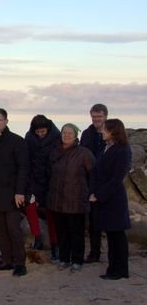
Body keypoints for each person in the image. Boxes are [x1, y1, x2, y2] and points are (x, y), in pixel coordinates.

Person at [0, 108, 29, 277]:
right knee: (0, 229)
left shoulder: (17, 141)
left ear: (6, 121)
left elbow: (23, 168)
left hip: (12, 194)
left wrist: (20, 192)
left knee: (13, 229)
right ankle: (6, 260)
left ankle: (20, 263)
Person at [47, 123, 95, 273]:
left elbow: (93, 175)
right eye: (64, 133)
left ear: (75, 136)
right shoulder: (55, 152)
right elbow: (49, 173)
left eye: (69, 133)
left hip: (76, 201)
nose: (66, 135)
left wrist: (90, 193)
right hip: (57, 200)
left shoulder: (84, 153)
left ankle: (77, 260)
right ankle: (64, 259)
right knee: (62, 232)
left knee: (76, 233)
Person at [89, 119, 132, 280]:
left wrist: (99, 195)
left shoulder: (123, 150)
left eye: (105, 130)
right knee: (111, 235)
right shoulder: (106, 147)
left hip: (113, 199)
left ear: (114, 131)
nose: (102, 132)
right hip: (104, 198)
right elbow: (97, 171)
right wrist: (93, 192)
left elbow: (116, 179)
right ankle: (113, 268)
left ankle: (120, 270)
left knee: (117, 236)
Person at [24, 115, 60, 260]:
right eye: (37, 132)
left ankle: (55, 245)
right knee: (30, 207)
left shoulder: (57, 137)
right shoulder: (29, 137)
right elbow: (27, 160)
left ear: (48, 129)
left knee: (51, 213)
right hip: (34, 180)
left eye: (43, 132)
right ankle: (37, 238)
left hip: (51, 181)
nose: (40, 134)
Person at [80, 103, 108, 264]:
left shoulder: (111, 132)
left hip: (106, 181)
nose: (96, 119)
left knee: (110, 220)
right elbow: (81, 154)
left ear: (105, 117)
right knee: (93, 220)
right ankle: (94, 252)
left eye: (99, 116)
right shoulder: (87, 134)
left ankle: (114, 253)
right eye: (94, 116)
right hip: (90, 180)